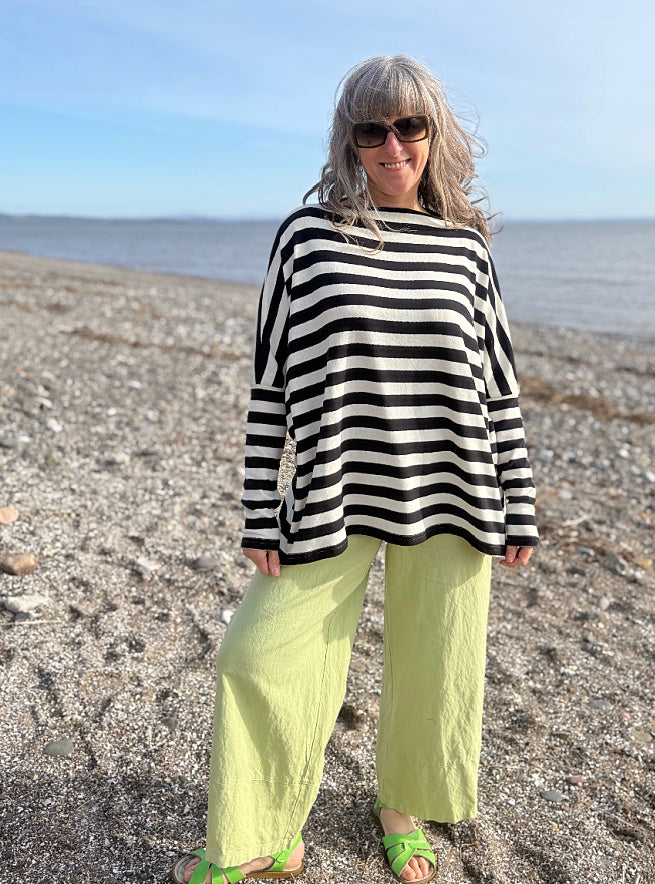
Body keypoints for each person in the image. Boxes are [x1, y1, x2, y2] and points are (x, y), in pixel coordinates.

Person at [172, 54, 537, 884]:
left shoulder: (466, 250)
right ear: (350, 140)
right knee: (256, 657)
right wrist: (261, 506)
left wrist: (521, 501)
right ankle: (264, 833)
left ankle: (400, 807)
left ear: (433, 136)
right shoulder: (308, 237)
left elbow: (499, 389)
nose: (392, 144)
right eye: (372, 127)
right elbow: (271, 383)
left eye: (409, 126)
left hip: (456, 490)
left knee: (436, 666)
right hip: (334, 491)